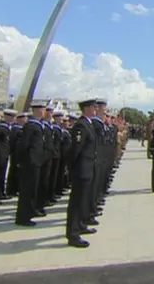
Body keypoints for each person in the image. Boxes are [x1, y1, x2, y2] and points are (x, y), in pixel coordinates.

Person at [66, 98, 98, 248]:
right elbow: (75, 150)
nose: (96, 109)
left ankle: (80, 225)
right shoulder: (81, 125)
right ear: (86, 109)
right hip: (81, 170)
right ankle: (73, 234)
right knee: (76, 202)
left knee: (83, 200)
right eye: (93, 107)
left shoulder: (88, 124)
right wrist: (72, 170)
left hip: (87, 169)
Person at [15, 102, 46, 227]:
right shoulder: (31, 126)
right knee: (27, 190)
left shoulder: (38, 125)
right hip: (30, 162)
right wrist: (20, 161)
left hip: (36, 161)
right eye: (43, 109)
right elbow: (24, 145)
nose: (44, 111)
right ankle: (23, 217)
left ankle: (30, 211)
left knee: (33, 188)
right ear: (37, 110)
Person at [0, 109, 16, 202]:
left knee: (2, 174)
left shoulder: (8, 127)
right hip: (0, 154)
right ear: (6, 116)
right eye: (11, 117)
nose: (12, 119)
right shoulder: (1, 127)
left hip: (5, 154)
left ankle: (1, 192)